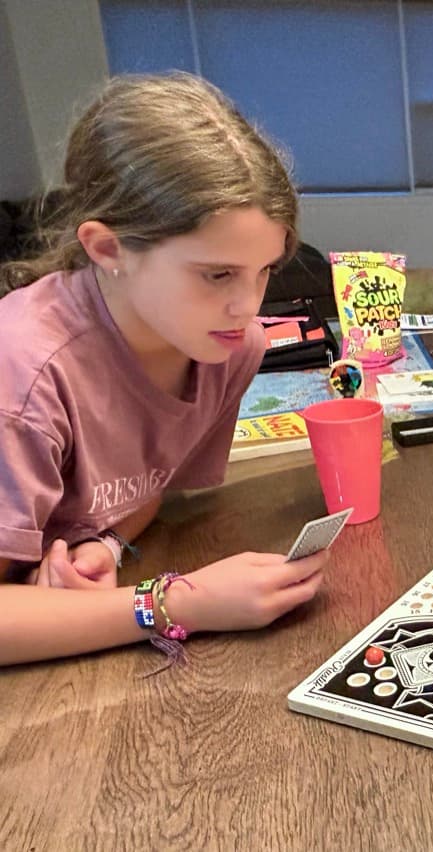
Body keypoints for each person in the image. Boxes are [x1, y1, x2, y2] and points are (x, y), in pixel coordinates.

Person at [0, 73, 329, 667]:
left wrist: (106, 541)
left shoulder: (231, 347)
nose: (248, 307)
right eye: (217, 274)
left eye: (265, 271)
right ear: (107, 249)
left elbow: (150, 486)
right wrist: (174, 604)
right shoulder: (23, 373)